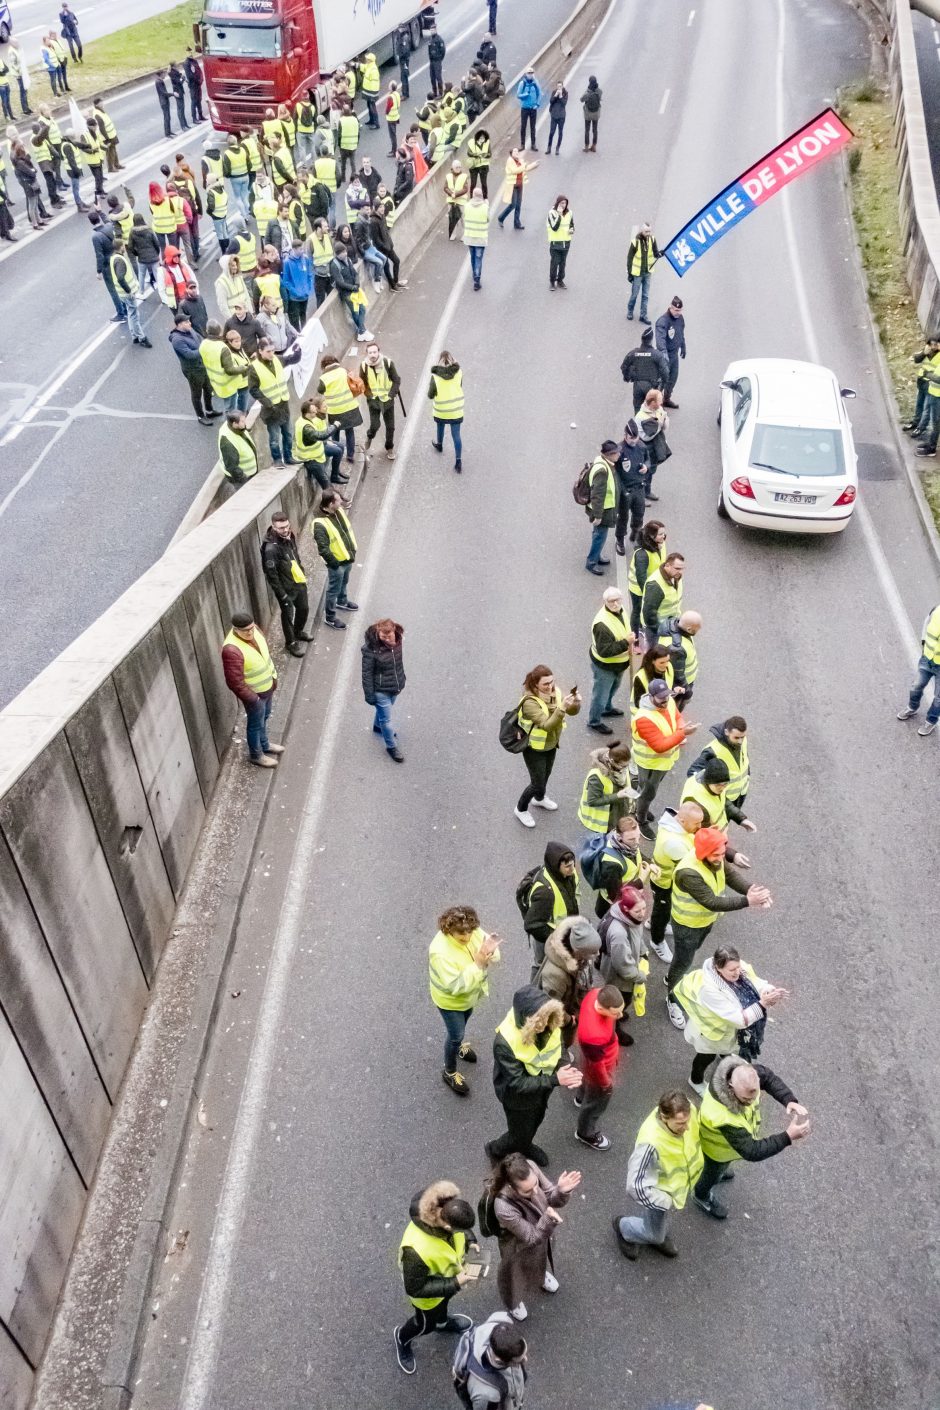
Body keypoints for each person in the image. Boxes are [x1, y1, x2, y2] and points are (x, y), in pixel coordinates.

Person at [666, 828, 771, 1028]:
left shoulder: (713, 857)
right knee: (683, 961)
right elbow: (711, 901)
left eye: (722, 854)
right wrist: (748, 901)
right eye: (716, 855)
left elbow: (730, 874)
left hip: (703, 922)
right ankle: (673, 997)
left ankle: (672, 976)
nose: (721, 858)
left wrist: (751, 889)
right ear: (704, 853)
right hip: (687, 925)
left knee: (685, 958)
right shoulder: (688, 872)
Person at [694, 1055, 809, 1220]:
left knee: (720, 1168)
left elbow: (768, 1077)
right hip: (716, 1151)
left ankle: (720, 1172)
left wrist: (789, 1100)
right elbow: (752, 1151)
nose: (751, 1102)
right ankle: (701, 1195)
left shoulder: (744, 1074)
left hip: (727, 1148)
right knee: (711, 1173)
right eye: (746, 1099)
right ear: (730, 1086)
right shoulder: (722, 1116)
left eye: (754, 1097)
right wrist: (787, 1137)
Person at [486, 985, 582, 1166]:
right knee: (518, 1133)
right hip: (517, 1098)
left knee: (535, 1120)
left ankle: (525, 1144)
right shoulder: (504, 1043)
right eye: (541, 1020)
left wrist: (565, 1069)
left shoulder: (551, 1021)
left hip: (541, 1088)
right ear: (529, 1021)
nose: (546, 1024)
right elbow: (517, 1083)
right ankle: (496, 1150)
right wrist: (555, 1079)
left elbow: (557, 1047)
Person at [675, 946, 786, 1095]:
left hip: (729, 1033)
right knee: (705, 1057)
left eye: (738, 967)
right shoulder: (709, 990)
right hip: (711, 1034)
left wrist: (767, 990)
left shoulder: (739, 968)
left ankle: (723, 1056)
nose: (738, 972)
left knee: (727, 1050)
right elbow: (739, 1019)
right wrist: (763, 1003)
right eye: (732, 970)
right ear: (718, 968)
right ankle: (695, 1080)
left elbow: (755, 982)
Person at [394, 1182, 476, 1375]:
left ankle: (443, 1323)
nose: (462, 1233)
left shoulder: (447, 1208)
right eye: (459, 1230)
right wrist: (456, 1282)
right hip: (428, 1298)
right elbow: (415, 1288)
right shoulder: (415, 1250)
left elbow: (462, 1230)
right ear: (447, 1226)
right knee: (424, 1324)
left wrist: (471, 1242)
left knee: (443, 1306)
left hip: (448, 1279)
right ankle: (402, 1338)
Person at [488, 1154, 580, 1321]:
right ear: (511, 1187)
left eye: (535, 1184)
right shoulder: (502, 1206)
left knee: (539, 1256)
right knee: (514, 1273)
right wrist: (548, 1218)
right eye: (527, 1191)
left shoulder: (531, 1166)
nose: (536, 1191)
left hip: (541, 1233)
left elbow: (551, 1196)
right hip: (516, 1245)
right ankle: (513, 1302)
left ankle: (540, 1275)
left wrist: (561, 1191)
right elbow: (531, 1237)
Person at [613, 1090, 702, 1260]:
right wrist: (665, 1202)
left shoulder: (687, 1108)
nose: (688, 1127)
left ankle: (653, 1233)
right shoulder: (650, 1144)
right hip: (660, 1192)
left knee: (656, 1227)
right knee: (655, 1234)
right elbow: (635, 1186)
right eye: (681, 1123)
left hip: (674, 1188)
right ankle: (624, 1227)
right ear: (663, 1117)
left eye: (687, 1121)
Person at [429, 905, 500, 1095]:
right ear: (449, 929)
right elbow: (455, 986)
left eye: (470, 932)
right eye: (462, 936)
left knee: (464, 1021)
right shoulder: (440, 952)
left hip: (469, 997)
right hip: (451, 1003)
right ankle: (449, 1071)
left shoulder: (471, 929)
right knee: (455, 1035)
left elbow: (490, 951)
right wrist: (478, 964)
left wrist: (490, 953)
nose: (468, 938)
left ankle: (459, 1047)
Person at [631, 677, 699, 837]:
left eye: (667, 696)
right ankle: (640, 820)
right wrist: (683, 733)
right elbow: (659, 746)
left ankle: (642, 808)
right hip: (650, 763)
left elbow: (676, 716)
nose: (665, 701)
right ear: (651, 696)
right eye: (661, 698)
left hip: (663, 762)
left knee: (648, 791)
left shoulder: (668, 703)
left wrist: (682, 726)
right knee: (648, 792)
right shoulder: (643, 718)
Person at [514, 666, 581, 827]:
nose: (550, 686)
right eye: (545, 684)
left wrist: (575, 703)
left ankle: (539, 799)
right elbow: (546, 725)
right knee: (537, 782)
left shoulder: (555, 692)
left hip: (551, 743)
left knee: (546, 775)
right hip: (534, 748)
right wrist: (563, 707)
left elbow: (571, 712)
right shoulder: (529, 702)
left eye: (552, 682)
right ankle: (521, 809)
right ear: (535, 684)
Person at [221, 612, 282, 767]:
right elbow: (235, 682)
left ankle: (265, 745)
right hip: (255, 695)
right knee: (255, 724)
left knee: (264, 717)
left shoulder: (255, 631)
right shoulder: (231, 649)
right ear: (235, 630)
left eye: (251, 628)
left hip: (267, 687)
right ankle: (256, 755)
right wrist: (253, 700)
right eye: (245, 631)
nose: (250, 632)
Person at [649, 799, 704, 963]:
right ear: (681, 820)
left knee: (661, 910)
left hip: (664, 880)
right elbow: (689, 867)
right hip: (664, 883)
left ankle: (655, 923)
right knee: (662, 911)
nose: (700, 827)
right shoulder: (673, 842)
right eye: (696, 823)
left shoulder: (674, 825)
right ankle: (656, 940)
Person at [574, 983, 624, 1151]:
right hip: (599, 1066)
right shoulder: (593, 1036)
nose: (620, 1015)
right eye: (616, 1013)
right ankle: (585, 1133)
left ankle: (580, 1097)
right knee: (596, 1101)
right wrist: (606, 1084)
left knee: (585, 1078)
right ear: (603, 1009)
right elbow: (597, 1068)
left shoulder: (595, 994)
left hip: (590, 1058)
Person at [597, 885, 648, 1047]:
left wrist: (643, 952)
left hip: (623, 970)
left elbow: (637, 936)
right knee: (620, 1001)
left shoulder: (627, 915)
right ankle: (614, 1028)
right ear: (626, 909)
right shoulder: (618, 933)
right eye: (638, 911)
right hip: (618, 978)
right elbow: (623, 967)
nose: (642, 914)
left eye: (644, 908)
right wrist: (640, 977)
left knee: (622, 1002)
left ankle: (619, 1012)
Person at [537, 917, 603, 1044]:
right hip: (565, 1012)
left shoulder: (576, 953)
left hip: (572, 1001)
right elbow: (551, 1007)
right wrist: (569, 1021)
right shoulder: (555, 975)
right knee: (561, 1039)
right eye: (593, 952)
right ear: (579, 952)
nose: (598, 954)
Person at [521, 843, 580, 976]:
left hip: (563, 931)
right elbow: (532, 925)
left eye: (573, 864)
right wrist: (554, 937)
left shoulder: (569, 874)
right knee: (541, 965)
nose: (572, 869)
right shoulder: (544, 893)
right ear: (556, 866)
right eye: (567, 866)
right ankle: (534, 990)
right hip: (546, 939)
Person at [261, 512, 311, 659]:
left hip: (298, 582)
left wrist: (301, 572)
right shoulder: (271, 549)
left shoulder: (290, 536)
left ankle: (299, 632)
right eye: (281, 527)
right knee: (288, 616)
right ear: (273, 527)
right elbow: (272, 575)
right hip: (286, 588)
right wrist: (281, 594)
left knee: (304, 609)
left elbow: (295, 556)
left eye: (286, 526)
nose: (285, 530)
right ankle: (290, 643)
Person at [458, 1313, 529, 1407]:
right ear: (500, 1361)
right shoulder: (486, 1394)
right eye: (519, 1361)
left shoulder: (501, 1319)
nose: (526, 1359)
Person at [311, 489, 358, 629]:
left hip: (348, 557)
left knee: (344, 582)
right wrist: (335, 564)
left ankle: (342, 601)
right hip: (337, 563)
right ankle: (330, 617)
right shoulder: (319, 524)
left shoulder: (338, 511)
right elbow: (323, 549)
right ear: (331, 504)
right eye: (338, 500)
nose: (341, 502)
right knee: (333, 590)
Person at [588, 585, 632, 733]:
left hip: (619, 664)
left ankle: (607, 708)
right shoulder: (602, 624)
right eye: (611, 601)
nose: (615, 604)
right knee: (600, 696)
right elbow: (605, 651)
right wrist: (627, 642)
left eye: (617, 600)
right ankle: (594, 721)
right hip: (605, 666)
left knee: (613, 688)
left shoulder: (621, 610)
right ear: (605, 602)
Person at [361, 617, 406, 760]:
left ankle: (377, 727)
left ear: (394, 631)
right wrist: (369, 695)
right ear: (378, 633)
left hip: (395, 686)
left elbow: (397, 664)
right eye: (383, 636)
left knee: (382, 715)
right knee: (386, 721)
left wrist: (401, 679)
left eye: (389, 635)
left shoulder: (398, 642)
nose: (386, 639)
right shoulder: (371, 649)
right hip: (380, 690)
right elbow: (366, 673)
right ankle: (391, 747)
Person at [249, 338, 296, 465]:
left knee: (288, 434)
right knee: (274, 437)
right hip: (271, 408)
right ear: (260, 351)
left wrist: (298, 353)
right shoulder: (254, 368)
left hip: (283, 404)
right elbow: (253, 390)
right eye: (268, 351)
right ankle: (277, 460)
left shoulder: (277, 359)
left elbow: (291, 359)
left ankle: (288, 457)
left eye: (273, 350)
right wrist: (267, 403)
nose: (271, 354)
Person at [687, 716, 750, 811]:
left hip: (740, 793)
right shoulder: (712, 750)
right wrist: (711, 792)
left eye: (742, 737)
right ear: (726, 732)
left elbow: (744, 759)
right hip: (723, 798)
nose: (740, 741)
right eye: (736, 738)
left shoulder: (742, 740)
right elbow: (693, 773)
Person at [680, 757, 754, 834]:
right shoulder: (697, 804)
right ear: (707, 782)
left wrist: (741, 819)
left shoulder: (715, 780)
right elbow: (702, 834)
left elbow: (723, 802)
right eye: (718, 785)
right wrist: (719, 841)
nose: (722, 788)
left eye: (725, 784)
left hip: (718, 834)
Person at [897, 601, 940, 735]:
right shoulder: (936, 609)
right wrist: (923, 645)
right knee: (916, 686)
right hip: (927, 659)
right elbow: (926, 624)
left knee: (939, 698)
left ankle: (931, 721)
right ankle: (912, 707)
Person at [577, 743, 634, 835]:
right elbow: (592, 801)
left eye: (627, 765)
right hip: (602, 825)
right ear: (612, 761)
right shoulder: (596, 776)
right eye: (623, 766)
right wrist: (618, 796)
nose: (625, 769)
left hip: (615, 816)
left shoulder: (620, 769)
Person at [169, 313, 216, 424]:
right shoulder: (177, 340)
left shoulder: (190, 330)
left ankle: (209, 410)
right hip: (192, 370)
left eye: (189, 321)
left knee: (208, 388)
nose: (190, 323)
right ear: (179, 325)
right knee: (196, 394)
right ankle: (200, 416)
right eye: (186, 322)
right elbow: (189, 355)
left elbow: (200, 339)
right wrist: (204, 350)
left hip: (202, 365)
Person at [317, 351, 364, 462]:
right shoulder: (343, 371)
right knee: (349, 431)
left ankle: (337, 452)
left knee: (335, 432)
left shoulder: (323, 378)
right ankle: (350, 455)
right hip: (349, 407)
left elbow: (320, 390)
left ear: (324, 366)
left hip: (335, 410)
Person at [615, 419, 652, 552]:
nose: (634, 440)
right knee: (623, 517)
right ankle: (619, 540)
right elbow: (615, 472)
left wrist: (646, 467)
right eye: (631, 437)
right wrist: (622, 490)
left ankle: (635, 534)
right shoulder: (619, 450)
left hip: (639, 488)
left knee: (639, 514)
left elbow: (648, 459)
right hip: (626, 490)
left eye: (636, 438)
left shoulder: (641, 447)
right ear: (625, 436)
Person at [293, 395, 344, 490]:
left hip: (315, 455)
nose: (316, 413)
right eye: (313, 412)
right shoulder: (307, 426)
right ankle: (333, 494)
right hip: (311, 458)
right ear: (308, 413)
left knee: (327, 484)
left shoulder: (307, 420)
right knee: (327, 485)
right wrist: (334, 426)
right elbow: (321, 435)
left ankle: (336, 475)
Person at [360, 341, 401, 460]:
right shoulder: (363, 365)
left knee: (390, 426)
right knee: (375, 425)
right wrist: (369, 395)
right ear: (367, 353)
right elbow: (363, 383)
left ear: (378, 352)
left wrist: (391, 395)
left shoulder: (388, 363)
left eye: (375, 352)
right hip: (373, 401)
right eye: (370, 352)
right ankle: (370, 437)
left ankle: (389, 447)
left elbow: (396, 380)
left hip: (387, 401)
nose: (373, 354)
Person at [584, 441, 619, 575]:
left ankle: (597, 556)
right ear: (609, 455)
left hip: (604, 509)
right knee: (599, 536)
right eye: (616, 453)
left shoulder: (603, 463)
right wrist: (598, 516)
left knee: (598, 534)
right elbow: (597, 495)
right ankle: (592, 562)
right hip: (603, 511)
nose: (619, 455)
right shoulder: (602, 471)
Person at [328, 239, 373, 342]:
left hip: (355, 289)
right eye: (343, 252)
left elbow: (355, 273)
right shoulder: (334, 265)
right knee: (356, 310)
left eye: (345, 251)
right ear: (337, 254)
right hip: (347, 292)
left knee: (361, 309)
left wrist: (357, 283)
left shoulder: (347, 260)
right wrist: (352, 287)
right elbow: (340, 282)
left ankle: (361, 331)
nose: (345, 253)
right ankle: (362, 331)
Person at [110, 238, 152, 347]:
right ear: (120, 247)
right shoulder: (120, 260)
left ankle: (134, 336)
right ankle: (141, 337)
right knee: (134, 315)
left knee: (130, 313)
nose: (125, 247)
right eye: (123, 246)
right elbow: (120, 278)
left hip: (122, 294)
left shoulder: (113, 258)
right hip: (127, 294)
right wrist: (129, 290)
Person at [627, 520, 666, 635]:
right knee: (637, 611)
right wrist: (647, 593)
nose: (663, 536)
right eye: (660, 534)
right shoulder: (642, 554)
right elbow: (641, 576)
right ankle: (635, 637)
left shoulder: (660, 544)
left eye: (664, 533)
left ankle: (640, 627)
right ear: (651, 536)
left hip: (652, 585)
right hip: (638, 589)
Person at [428, 349, 465, 471]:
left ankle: (439, 445)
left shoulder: (435, 376)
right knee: (456, 436)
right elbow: (459, 385)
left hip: (441, 410)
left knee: (440, 426)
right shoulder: (459, 372)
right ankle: (458, 461)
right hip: (456, 410)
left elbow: (430, 395)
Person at [659, 610, 701, 711]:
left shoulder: (675, 624)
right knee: (674, 711)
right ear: (689, 628)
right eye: (697, 629)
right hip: (680, 687)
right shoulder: (677, 649)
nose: (698, 631)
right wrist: (687, 692)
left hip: (681, 683)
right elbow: (678, 677)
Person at [621, 325, 669, 412]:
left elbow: (624, 366)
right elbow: (665, 372)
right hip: (652, 387)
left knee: (638, 411)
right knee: (653, 411)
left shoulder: (633, 353)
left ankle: (638, 425)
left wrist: (627, 377)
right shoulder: (657, 355)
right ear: (651, 341)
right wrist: (662, 386)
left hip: (638, 386)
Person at [641, 550, 685, 642]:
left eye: (682, 569)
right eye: (677, 568)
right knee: (656, 654)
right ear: (667, 565)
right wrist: (659, 630)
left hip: (671, 624)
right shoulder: (655, 585)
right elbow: (649, 614)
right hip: (658, 629)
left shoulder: (676, 577)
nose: (680, 572)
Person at [636, 388, 671, 500]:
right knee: (644, 472)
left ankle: (647, 491)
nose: (661, 403)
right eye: (659, 401)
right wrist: (659, 425)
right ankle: (641, 495)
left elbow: (665, 427)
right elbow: (645, 436)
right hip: (646, 448)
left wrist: (664, 421)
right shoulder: (641, 417)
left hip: (655, 446)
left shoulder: (658, 409)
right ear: (652, 402)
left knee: (651, 471)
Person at [655, 296, 686, 408]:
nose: (678, 312)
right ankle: (656, 403)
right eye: (676, 310)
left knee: (673, 378)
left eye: (680, 310)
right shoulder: (663, 321)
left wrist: (683, 345)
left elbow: (681, 332)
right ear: (671, 307)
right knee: (661, 381)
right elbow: (660, 338)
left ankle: (666, 399)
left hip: (674, 355)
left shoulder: (680, 318)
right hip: (665, 356)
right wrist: (663, 351)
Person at [627, 222, 661, 324]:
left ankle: (643, 315)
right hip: (638, 274)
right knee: (634, 294)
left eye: (649, 231)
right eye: (646, 231)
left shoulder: (652, 240)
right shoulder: (635, 242)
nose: (648, 233)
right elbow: (629, 259)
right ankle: (630, 310)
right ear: (642, 231)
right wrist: (630, 274)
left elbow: (655, 253)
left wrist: (660, 253)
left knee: (645, 295)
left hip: (647, 272)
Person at [497, 148, 537, 230]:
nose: (517, 152)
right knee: (513, 205)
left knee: (518, 205)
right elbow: (515, 170)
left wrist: (534, 165)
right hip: (513, 186)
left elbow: (525, 168)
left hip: (520, 185)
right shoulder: (510, 161)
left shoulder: (520, 161)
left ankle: (517, 223)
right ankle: (501, 218)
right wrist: (524, 165)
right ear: (511, 153)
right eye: (515, 151)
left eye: (517, 151)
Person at [217, 409, 259, 486]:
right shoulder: (228, 444)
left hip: (248, 474)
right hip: (242, 478)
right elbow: (232, 467)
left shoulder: (233, 426)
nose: (245, 423)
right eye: (242, 422)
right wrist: (243, 479)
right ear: (235, 424)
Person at [631, 642, 674, 714]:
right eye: (662, 662)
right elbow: (637, 702)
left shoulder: (669, 666)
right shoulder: (640, 677)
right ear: (652, 661)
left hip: (661, 710)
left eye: (667, 661)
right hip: (645, 715)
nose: (666, 665)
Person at [463, 187, 489, 290]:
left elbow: (465, 217)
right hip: (480, 238)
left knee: (472, 257)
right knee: (478, 258)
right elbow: (488, 219)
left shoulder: (467, 206)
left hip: (469, 236)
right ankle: (477, 279)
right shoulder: (485, 207)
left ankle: (474, 274)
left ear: (473, 195)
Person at [546, 195, 573, 289]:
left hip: (566, 244)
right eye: (562, 203)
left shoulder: (569, 213)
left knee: (562, 264)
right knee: (554, 264)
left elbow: (571, 225)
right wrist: (559, 215)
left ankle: (560, 280)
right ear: (557, 203)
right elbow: (554, 227)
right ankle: (552, 282)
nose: (563, 205)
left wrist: (571, 230)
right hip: (555, 244)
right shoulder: (552, 213)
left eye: (565, 203)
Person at [516, 69, 541, 149]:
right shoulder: (522, 83)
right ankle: (522, 144)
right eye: (529, 73)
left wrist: (537, 104)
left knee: (533, 127)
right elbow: (518, 95)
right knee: (523, 126)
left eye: (532, 73)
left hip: (533, 108)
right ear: (526, 74)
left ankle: (533, 144)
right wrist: (525, 95)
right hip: (525, 108)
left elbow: (539, 94)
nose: (530, 75)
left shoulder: (535, 83)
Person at [445, 158, 470, 238]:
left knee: (463, 218)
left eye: (459, 167)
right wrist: (451, 193)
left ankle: (465, 234)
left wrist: (456, 194)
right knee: (452, 218)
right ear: (452, 168)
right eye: (457, 167)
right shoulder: (448, 176)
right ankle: (453, 233)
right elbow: (445, 187)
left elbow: (465, 189)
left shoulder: (464, 176)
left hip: (461, 201)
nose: (458, 169)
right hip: (451, 201)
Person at [580, 76, 602, 151]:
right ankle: (594, 146)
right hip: (596, 113)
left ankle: (586, 146)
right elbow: (600, 98)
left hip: (588, 114)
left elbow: (581, 100)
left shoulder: (588, 92)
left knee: (587, 130)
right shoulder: (599, 91)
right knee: (595, 130)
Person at [546, 81, 568, 154]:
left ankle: (557, 148)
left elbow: (564, 103)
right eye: (558, 86)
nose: (559, 88)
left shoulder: (565, 93)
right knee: (552, 132)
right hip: (554, 115)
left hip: (561, 116)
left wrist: (561, 95)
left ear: (562, 86)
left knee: (560, 132)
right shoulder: (554, 92)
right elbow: (551, 101)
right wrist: (555, 95)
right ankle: (549, 147)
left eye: (560, 86)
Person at [184, 48, 205, 124]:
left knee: (199, 99)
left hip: (198, 83)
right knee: (194, 101)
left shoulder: (194, 61)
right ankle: (194, 118)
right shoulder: (186, 63)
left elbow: (199, 71)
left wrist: (201, 79)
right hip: (193, 85)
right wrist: (197, 80)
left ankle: (200, 115)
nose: (190, 53)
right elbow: (189, 75)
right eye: (188, 52)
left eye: (191, 51)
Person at [169, 63, 189, 133]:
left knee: (182, 108)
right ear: (174, 66)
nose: (177, 66)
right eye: (176, 65)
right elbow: (179, 82)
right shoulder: (172, 73)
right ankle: (183, 126)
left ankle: (185, 124)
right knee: (180, 109)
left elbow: (179, 75)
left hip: (180, 91)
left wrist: (182, 77)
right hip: (178, 92)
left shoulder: (175, 72)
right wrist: (183, 79)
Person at [427, 27, 446, 98]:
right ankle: (434, 93)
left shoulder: (439, 39)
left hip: (437, 61)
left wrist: (440, 59)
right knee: (432, 78)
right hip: (432, 61)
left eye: (433, 30)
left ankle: (441, 93)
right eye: (430, 30)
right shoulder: (430, 39)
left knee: (438, 77)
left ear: (435, 30)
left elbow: (443, 51)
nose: (431, 32)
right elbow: (429, 50)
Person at [155, 71, 174, 139]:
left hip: (164, 101)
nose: (165, 75)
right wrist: (173, 94)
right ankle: (167, 133)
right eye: (164, 74)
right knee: (167, 117)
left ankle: (169, 131)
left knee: (168, 117)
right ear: (161, 74)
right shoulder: (159, 82)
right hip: (164, 102)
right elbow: (163, 93)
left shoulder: (159, 81)